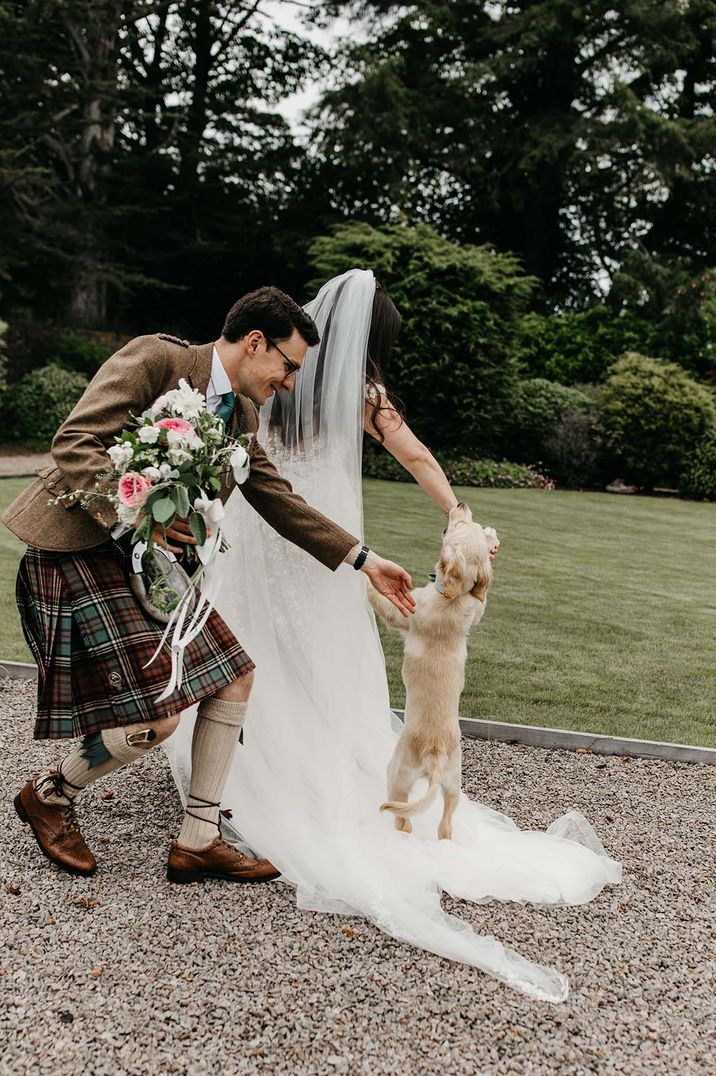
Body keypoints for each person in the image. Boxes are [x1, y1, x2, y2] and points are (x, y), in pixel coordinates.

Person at [164, 269, 621, 1002]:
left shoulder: (266, 382)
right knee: (319, 659)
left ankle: (231, 781)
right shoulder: (363, 394)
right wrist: (458, 513)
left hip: (262, 531)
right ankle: (284, 775)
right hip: (325, 539)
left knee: (249, 651)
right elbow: (414, 455)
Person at [3, 286, 415, 887]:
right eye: (289, 366)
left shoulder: (242, 416)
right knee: (159, 720)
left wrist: (363, 559)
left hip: (152, 568)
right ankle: (50, 794)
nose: (292, 383)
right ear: (255, 342)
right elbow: (74, 444)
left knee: (235, 674)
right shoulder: (157, 361)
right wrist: (141, 510)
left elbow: (276, 497)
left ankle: (199, 840)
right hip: (80, 548)